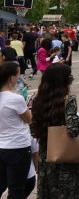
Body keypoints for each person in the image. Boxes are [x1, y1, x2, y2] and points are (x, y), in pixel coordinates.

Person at [30, 63, 79, 198]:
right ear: (64, 80)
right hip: (66, 156)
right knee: (68, 191)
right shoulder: (68, 100)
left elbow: (33, 130)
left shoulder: (37, 100)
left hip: (46, 155)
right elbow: (73, 130)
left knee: (49, 191)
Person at [0, 62, 32, 198]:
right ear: (11, 78)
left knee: (1, 184)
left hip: (2, 146)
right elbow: (29, 119)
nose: (19, 78)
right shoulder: (16, 99)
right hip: (18, 147)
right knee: (17, 188)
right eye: (18, 75)